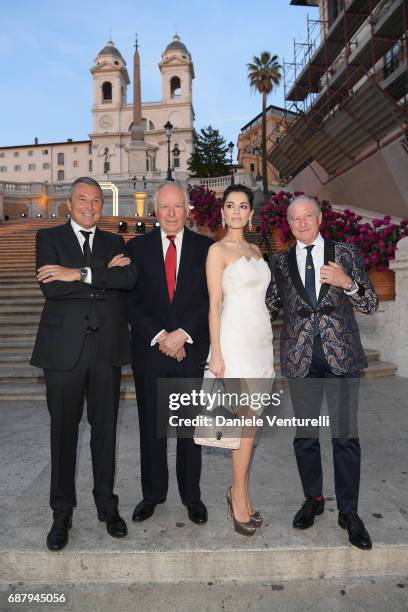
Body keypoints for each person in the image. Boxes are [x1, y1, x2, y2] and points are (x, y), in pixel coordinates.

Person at [31, 176, 137, 552]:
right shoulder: (49, 238)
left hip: (106, 351)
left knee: (105, 431)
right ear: (69, 203)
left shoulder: (114, 241)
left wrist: (77, 273)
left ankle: (107, 506)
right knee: (63, 433)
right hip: (62, 353)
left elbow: (127, 279)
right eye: (83, 199)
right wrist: (100, 278)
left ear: (102, 205)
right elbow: (50, 286)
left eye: (96, 200)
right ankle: (62, 513)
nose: (90, 206)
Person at [266, 195, 378, 550]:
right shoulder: (280, 263)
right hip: (300, 359)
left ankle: (349, 511)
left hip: (341, 357)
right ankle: (313, 499)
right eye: (295, 218)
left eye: (307, 216)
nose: (302, 223)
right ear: (289, 223)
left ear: (319, 218)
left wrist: (349, 283)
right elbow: (267, 306)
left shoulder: (344, 253)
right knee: (305, 436)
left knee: (345, 436)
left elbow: (371, 303)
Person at [124, 182, 213, 525]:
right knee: (152, 427)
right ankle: (153, 494)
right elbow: (130, 300)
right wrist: (162, 336)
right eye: (165, 207)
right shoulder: (137, 248)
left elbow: (212, 299)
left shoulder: (208, 249)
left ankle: (192, 496)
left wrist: (183, 335)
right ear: (155, 211)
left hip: (190, 350)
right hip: (151, 351)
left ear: (188, 209)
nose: (172, 213)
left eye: (178, 206)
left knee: (190, 428)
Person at [205, 184, 274, 536]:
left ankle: (238, 490)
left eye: (242, 205)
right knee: (243, 425)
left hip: (261, 342)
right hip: (234, 345)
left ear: (250, 213)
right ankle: (239, 497)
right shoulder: (217, 251)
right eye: (230, 205)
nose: (236, 211)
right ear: (222, 212)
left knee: (253, 425)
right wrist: (217, 353)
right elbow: (214, 305)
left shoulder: (258, 250)